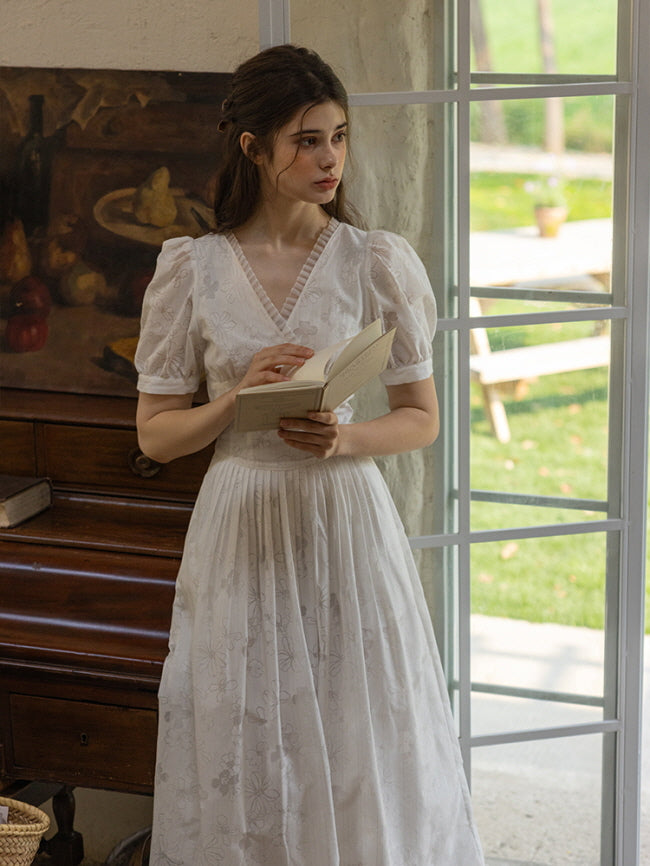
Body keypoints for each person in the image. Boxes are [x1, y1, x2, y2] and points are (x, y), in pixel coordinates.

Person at [135, 44, 484, 866]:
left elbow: (421, 419)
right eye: (306, 140)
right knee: (244, 731)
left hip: (344, 522)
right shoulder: (193, 268)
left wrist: (344, 439)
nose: (329, 159)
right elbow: (155, 433)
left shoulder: (376, 261)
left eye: (338, 137)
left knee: (361, 727)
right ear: (252, 148)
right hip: (240, 522)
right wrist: (235, 400)